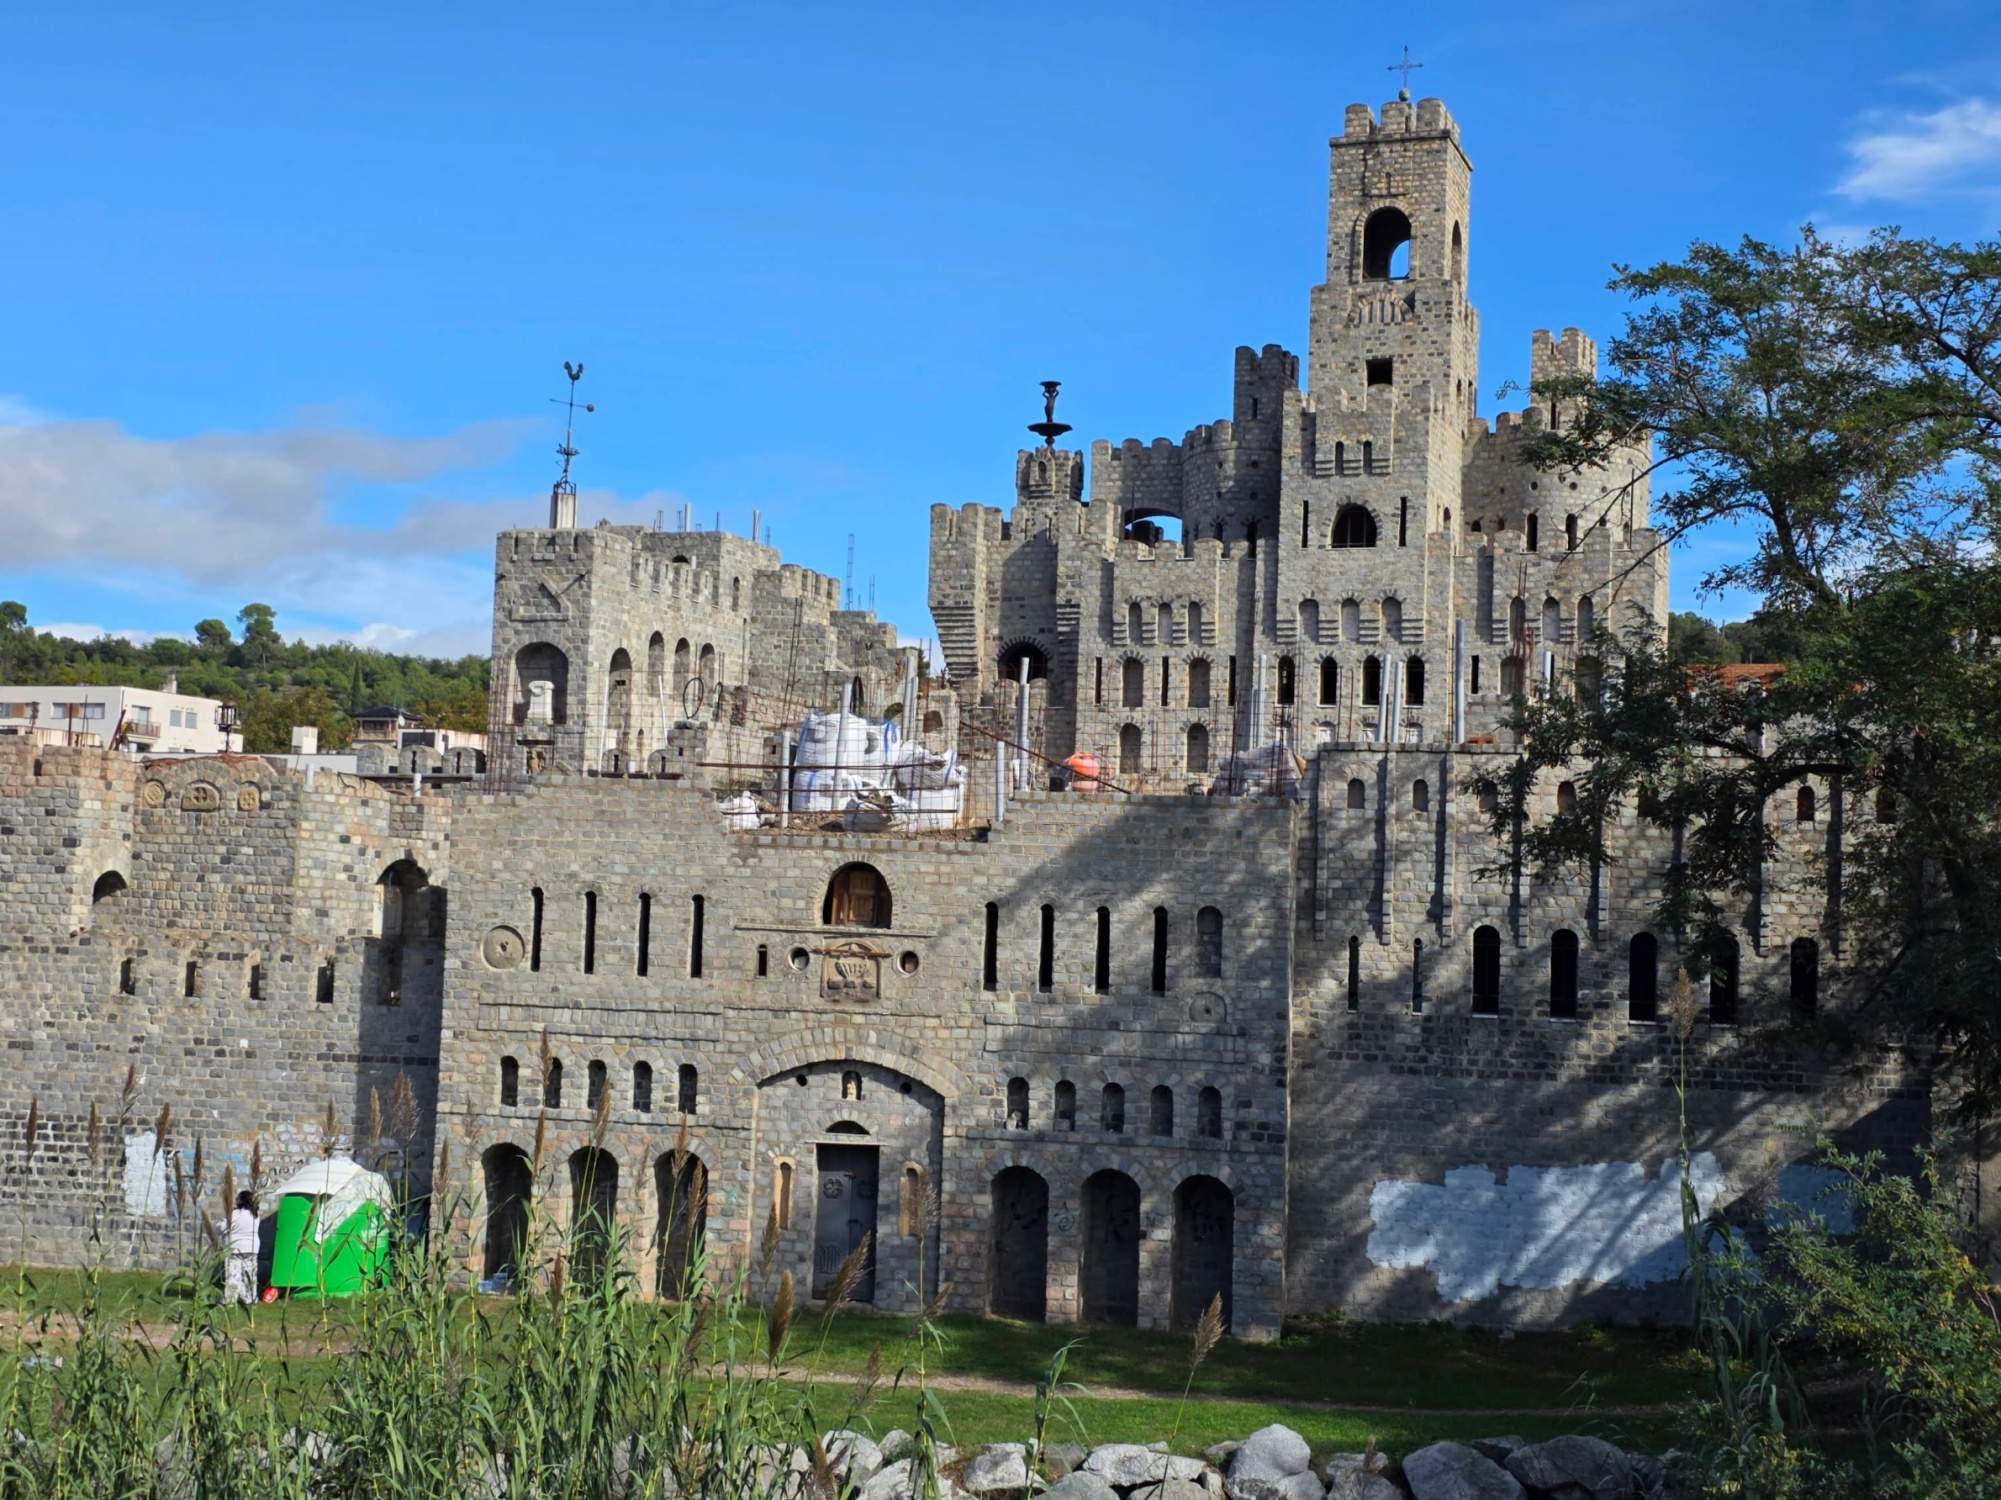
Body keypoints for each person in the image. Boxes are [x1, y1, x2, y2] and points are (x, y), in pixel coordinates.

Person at [222, 1190, 259, 1305]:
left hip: (235, 1247)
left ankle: (231, 1299)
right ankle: (250, 1297)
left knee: (233, 1274)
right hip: (252, 1248)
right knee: (250, 1274)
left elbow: (223, 1227)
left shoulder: (235, 1214)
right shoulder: (255, 1215)